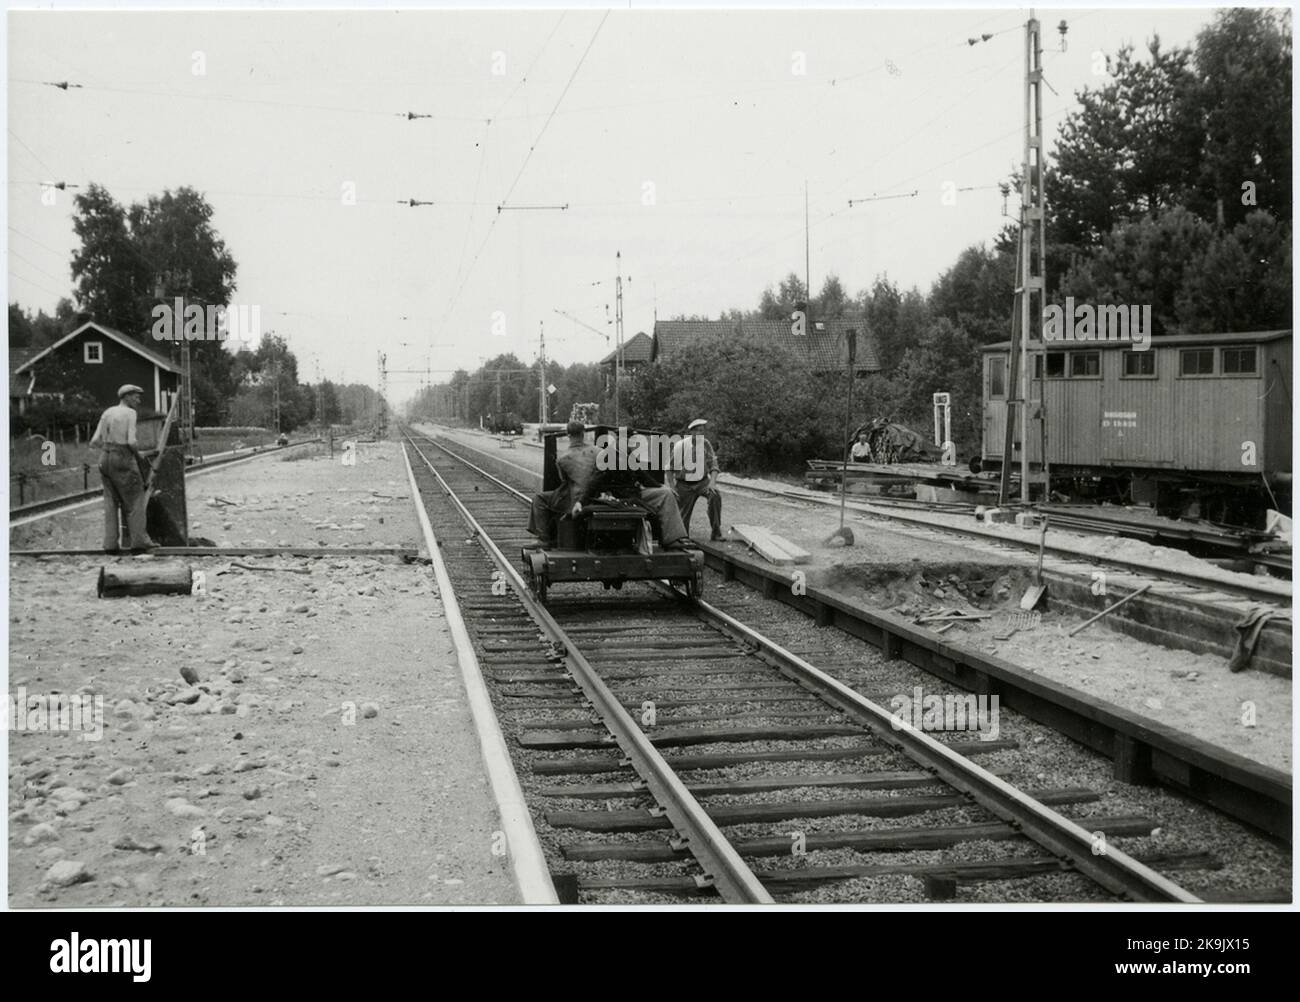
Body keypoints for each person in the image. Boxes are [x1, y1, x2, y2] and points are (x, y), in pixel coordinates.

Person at [589, 434, 696, 551]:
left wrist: (661, 486)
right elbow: (594, 482)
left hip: (636, 495)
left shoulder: (629, 456)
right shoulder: (607, 457)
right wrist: (582, 501)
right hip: (619, 498)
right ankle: (669, 539)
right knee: (662, 494)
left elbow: (643, 477)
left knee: (666, 493)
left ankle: (673, 538)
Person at [90, 384, 156, 554]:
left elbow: (95, 440)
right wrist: (138, 454)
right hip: (123, 457)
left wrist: (109, 449)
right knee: (135, 499)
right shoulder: (130, 413)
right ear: (126, 396)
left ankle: (110, 545)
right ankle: (139, 543)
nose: (138, 400)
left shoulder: (108, 412)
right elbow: (131, 441)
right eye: (135, 396)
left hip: (104, 458)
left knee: (110, 502)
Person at [527, 420, 600, 547]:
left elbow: (563, 480)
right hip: (597, 496)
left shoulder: (563, 458)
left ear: (568, 435)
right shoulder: (598, 451)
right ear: (583, 433)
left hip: (575, 499)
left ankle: (544, 538)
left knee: (540, 499)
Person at [668, 418, 723, 541]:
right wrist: (672, 487)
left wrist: (712, 483)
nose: (700, 433)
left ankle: (716, 532)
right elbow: (669, 468)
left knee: (715, 495)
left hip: (702, 482)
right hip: (684, 484)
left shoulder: (706, 444)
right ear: (691, 432)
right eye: (697, 431)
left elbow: (714, 465)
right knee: (682, 518)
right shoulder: (681, 445)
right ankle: (683, 537)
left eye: (702, 431)